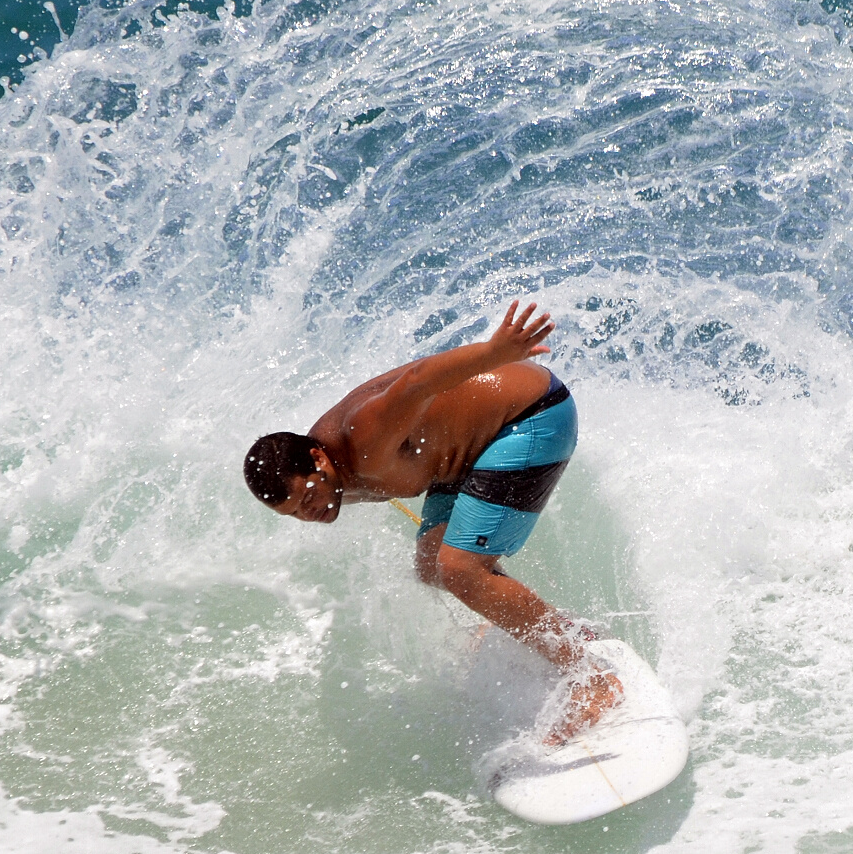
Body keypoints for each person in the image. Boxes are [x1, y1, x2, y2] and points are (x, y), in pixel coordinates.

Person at [243, 301, 620, 743]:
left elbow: (416, 383)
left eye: (308, 496)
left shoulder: (364, 438)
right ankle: (554, 625)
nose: (312, 512)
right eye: (296, 514)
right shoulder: (332, 481)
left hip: (529, 415)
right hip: (465, 454)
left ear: (318, 457)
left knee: (460, 569)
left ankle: (592, 674)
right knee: (431, 566)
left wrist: (496, 351)